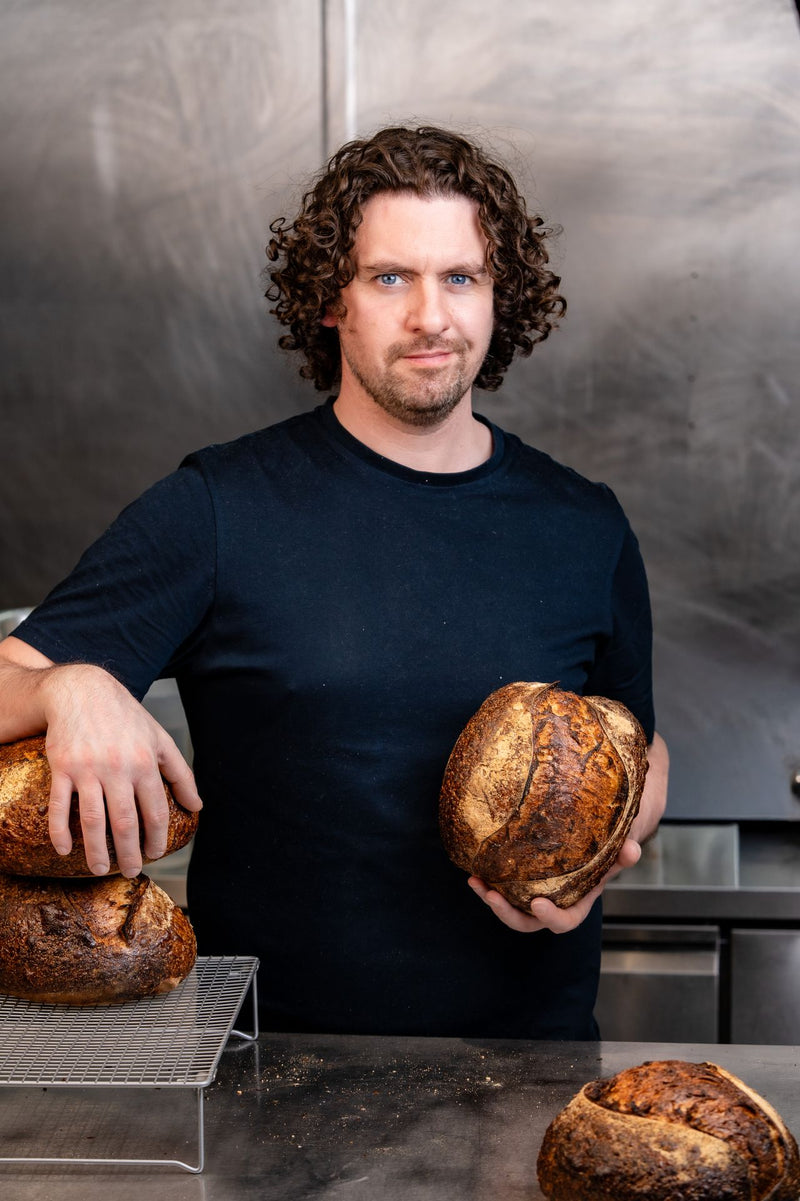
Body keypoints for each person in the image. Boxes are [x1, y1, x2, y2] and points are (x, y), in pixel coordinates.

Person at [0, 125, 668, 1038]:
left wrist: (603, 854)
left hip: (526, 1069)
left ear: (497, 297)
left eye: (461, 277)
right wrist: (67, 684)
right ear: (332, 300)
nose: (431, 315)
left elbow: (642, 741)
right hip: (269, 1072)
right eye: (391, 277)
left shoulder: (585, 524)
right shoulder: (218, 509)